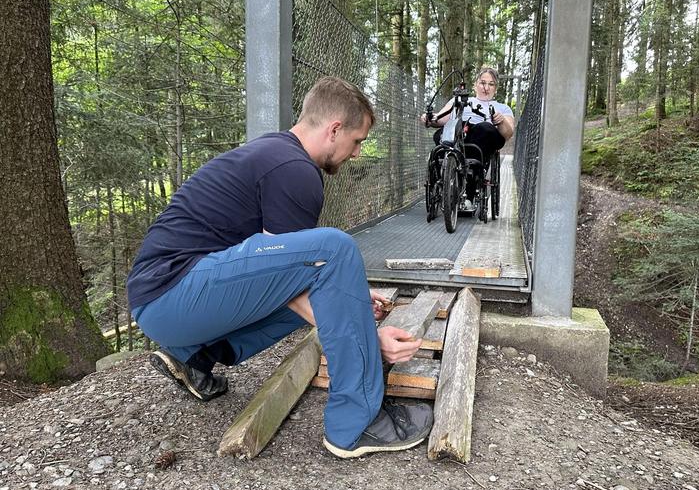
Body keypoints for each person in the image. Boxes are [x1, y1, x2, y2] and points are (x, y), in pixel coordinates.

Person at [126, 76, 433, 459]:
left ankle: (194, 357)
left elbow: (288, 280)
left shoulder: (275, 152)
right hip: (174, 296)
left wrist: (350, 301)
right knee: (335, 248)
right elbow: (306, 274)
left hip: (166, 304)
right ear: (334, 129)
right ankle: (357, 423)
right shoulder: (295, 170)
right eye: (357, 141)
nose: (356, 153)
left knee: (327, 289)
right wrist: (368, 338)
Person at [421, 67, 515, 210]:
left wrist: (500, 121)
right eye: (483, 83)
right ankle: (442, 181)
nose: (486, 88)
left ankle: (469, 193)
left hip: (482, 138)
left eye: (491, 84)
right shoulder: (459, 100)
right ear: (475, 84)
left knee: (485, 128)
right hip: (459, 134)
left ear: (495, 88)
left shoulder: (502, 108)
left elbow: (508, 133)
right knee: (443, 133)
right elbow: (441, 118)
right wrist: (429, 118)